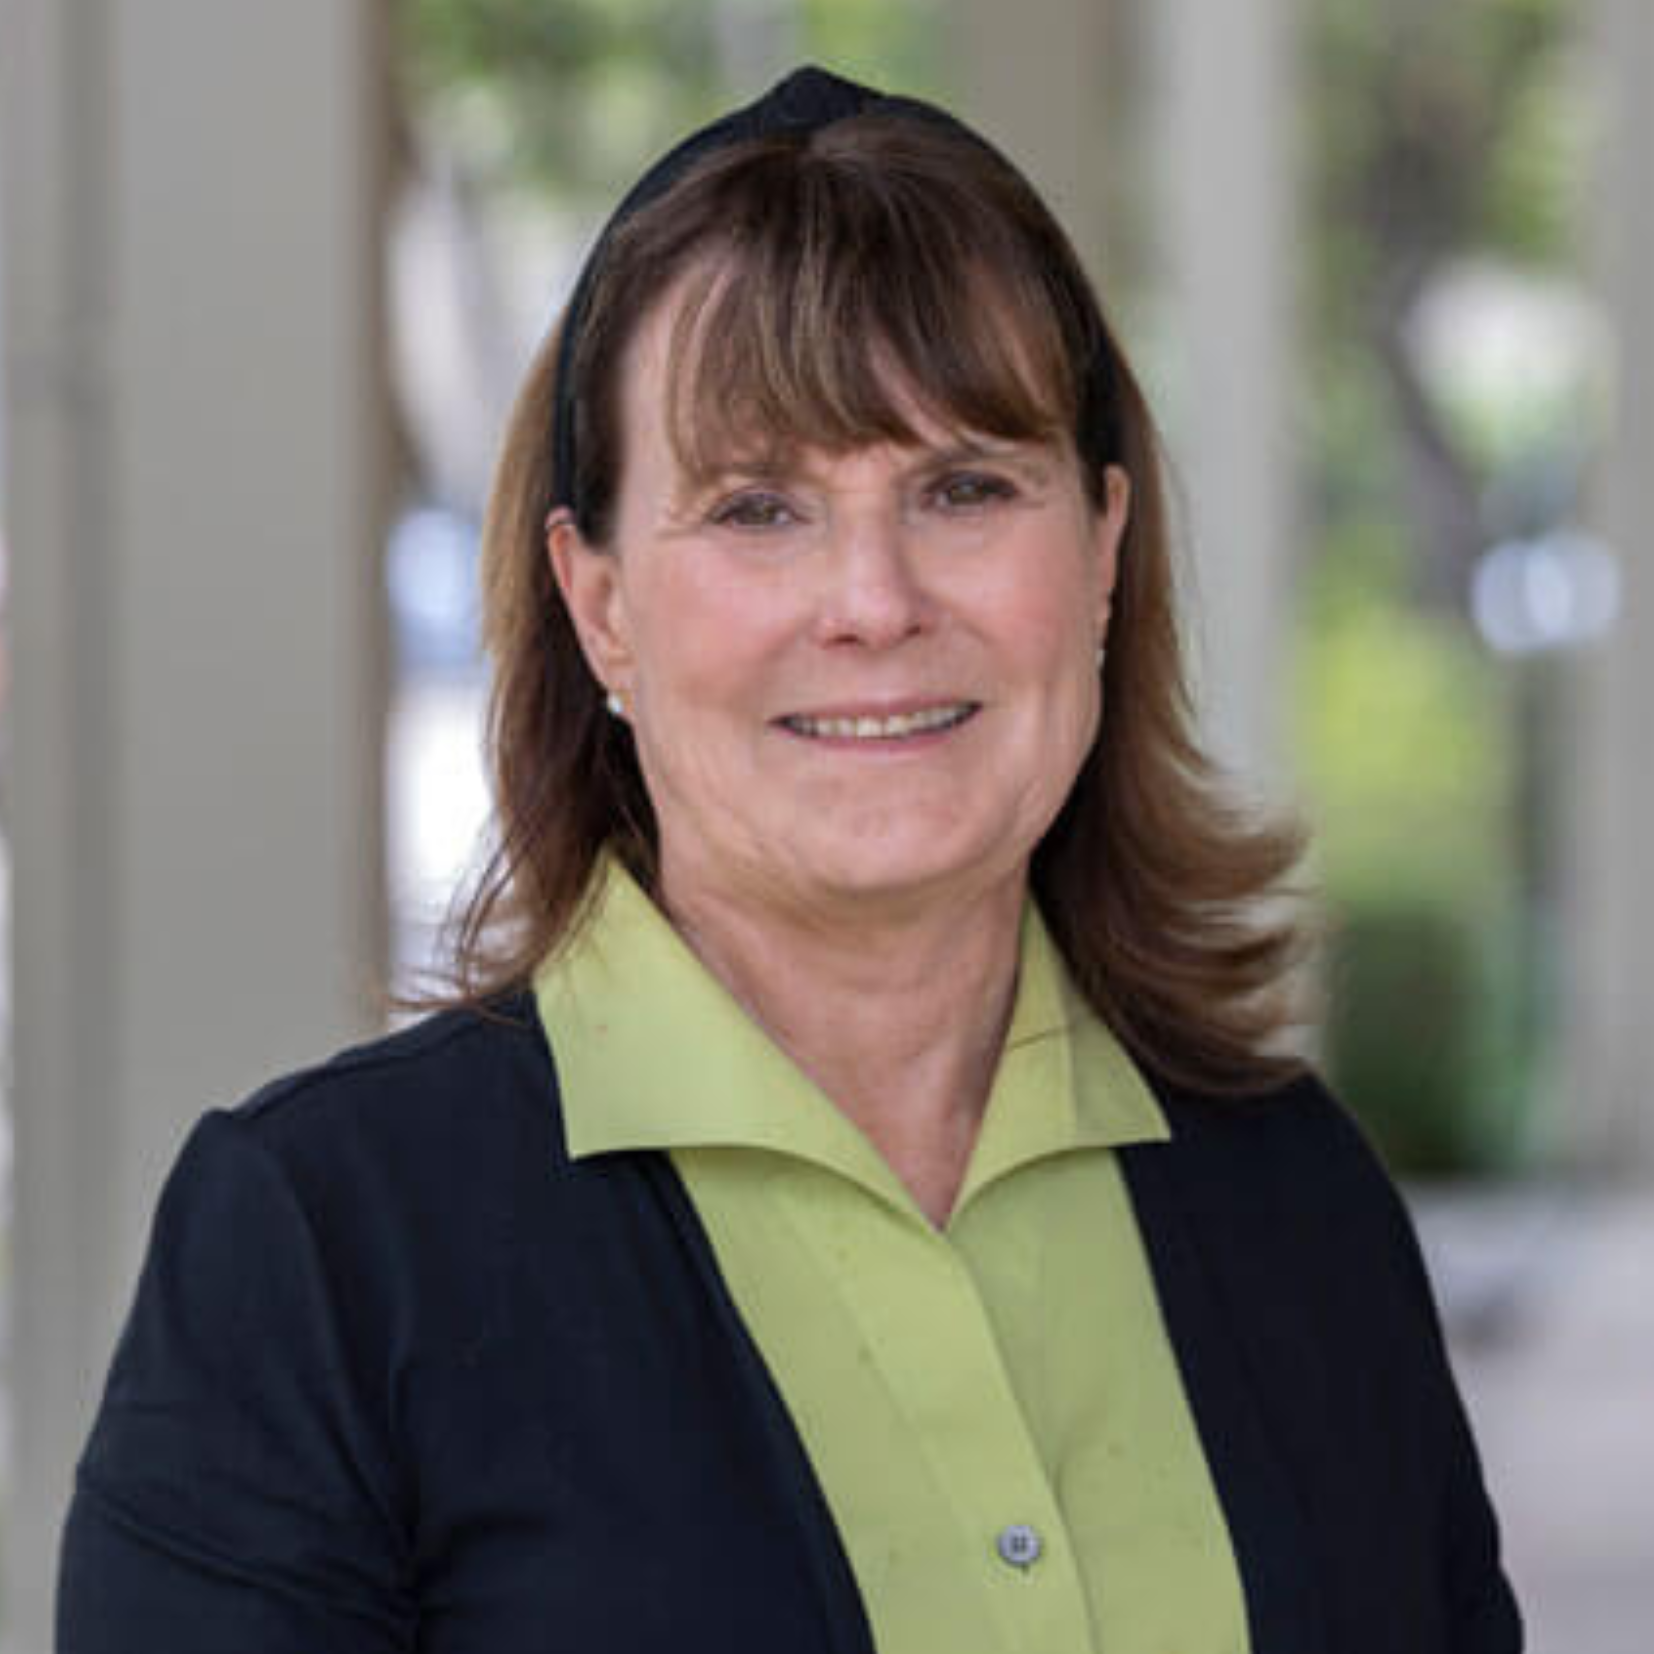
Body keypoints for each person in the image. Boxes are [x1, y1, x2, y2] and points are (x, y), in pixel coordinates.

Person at [57, 64, 1524, 1654]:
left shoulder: (1298, 1202)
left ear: (1100, 551)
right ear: (600, 602)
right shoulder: (319, 1253)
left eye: (963, 487)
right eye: (759, 509)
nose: (874, 602)